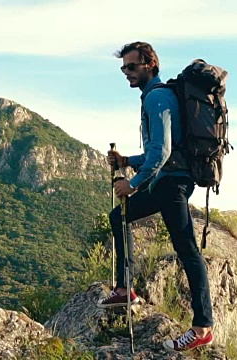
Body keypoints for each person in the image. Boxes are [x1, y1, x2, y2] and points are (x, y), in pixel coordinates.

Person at [96, 41, 214, 352]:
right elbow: (156, 152)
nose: (126, 73)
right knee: (118, 216)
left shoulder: (158, 98)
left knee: (188, 250)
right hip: (167, 182)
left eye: (131, 67)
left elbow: (161, 153)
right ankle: (125, 288)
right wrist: (125, 162)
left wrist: (131, 184)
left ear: (150, 64)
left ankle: (202, 327)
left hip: (171, 184)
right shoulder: (155, 97)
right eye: (123, 68)